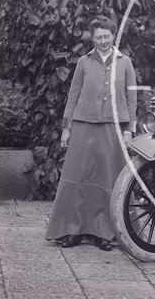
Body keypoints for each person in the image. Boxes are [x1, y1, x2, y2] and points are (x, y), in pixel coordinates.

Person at [45, 16, 137, 251]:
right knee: (76, 179)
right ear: (92, 37)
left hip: (113, 128)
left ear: (113, 35)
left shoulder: (125, 62)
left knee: (108, 181)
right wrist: (66, 128)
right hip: (83, 126)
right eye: (99, 37)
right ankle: (70, 231)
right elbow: (73, 96)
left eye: (107, 36)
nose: (103, 41)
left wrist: (129, 130)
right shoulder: (83, 63)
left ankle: (106, 233)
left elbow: (132, 99)